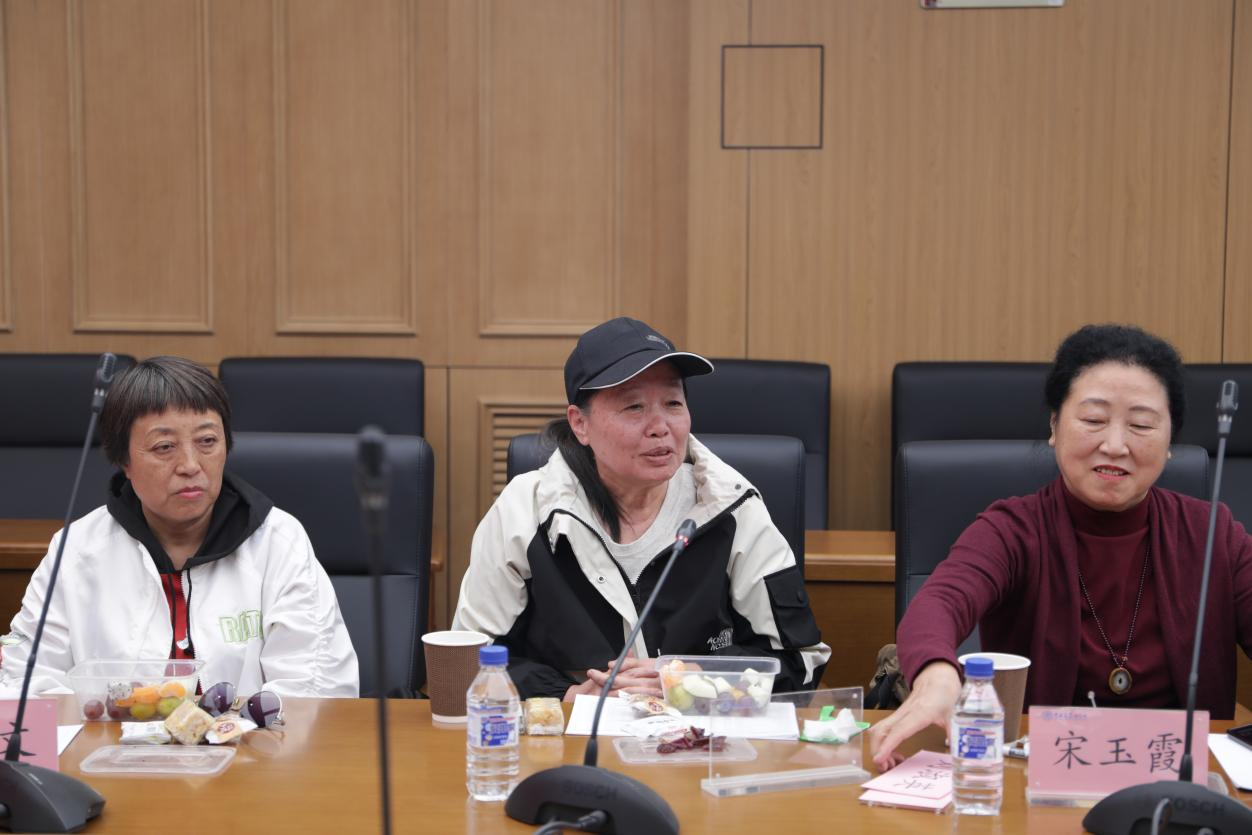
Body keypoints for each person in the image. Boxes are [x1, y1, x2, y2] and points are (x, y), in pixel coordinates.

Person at [870, 324, 1252, 770]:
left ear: (1170, 441)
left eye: (1141, 425)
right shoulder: (1012, 529)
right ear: (1055, 425)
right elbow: (940, 602)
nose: (1115, 445)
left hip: (1182, 784)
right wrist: (936, 677)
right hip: (1035, 780)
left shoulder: (1213, 535)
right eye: (1093, 420)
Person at [452, 317, 831, 700]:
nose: (660, 426)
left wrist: (699, 678)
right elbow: (468, 660)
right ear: (580, 424)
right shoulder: (524, 511)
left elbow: (801, 662)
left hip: (700, 731)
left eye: (673, 403)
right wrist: (567, 696)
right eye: (634, 407)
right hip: (571, 730)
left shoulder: (731, 506)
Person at [0, 356, 359, 697]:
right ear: (123, 460)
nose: (190, 464)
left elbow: (319, 691)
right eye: (164, 447)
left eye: (207, 442)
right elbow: (20, 683)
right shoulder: (77, 550)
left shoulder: (278, 542)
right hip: (107, 742)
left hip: (253, 742)